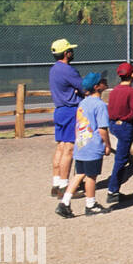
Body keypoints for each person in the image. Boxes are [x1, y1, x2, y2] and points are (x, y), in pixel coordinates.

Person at [56, 72, 112, 218]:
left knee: (79, 174)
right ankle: (91, 204)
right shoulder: (100, 105)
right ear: (97, 87)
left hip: (81, 144)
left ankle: (64, 202)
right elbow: (102, 129)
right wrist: (107, 145)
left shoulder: (82, 103)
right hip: (93, 146)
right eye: (102, 81)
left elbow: (78, 125)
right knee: (91, 176)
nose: (105, 82)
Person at [106, 62, 133, 204]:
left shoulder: (114, 91)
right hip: (124, 126)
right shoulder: (131, 91)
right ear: (132, 75)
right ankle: (112, 191)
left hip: (113, 124)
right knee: (121, 159)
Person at [49, 38, 84, 198]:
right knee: (69, 148)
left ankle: (56, 183)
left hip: (59, 110)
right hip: (70, 111)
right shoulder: (68, 69)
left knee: (61, 147)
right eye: (70, 50)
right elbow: (84, 87)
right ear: (66, 53)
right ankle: (65, 186)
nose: (72, 52)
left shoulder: (54, 69)